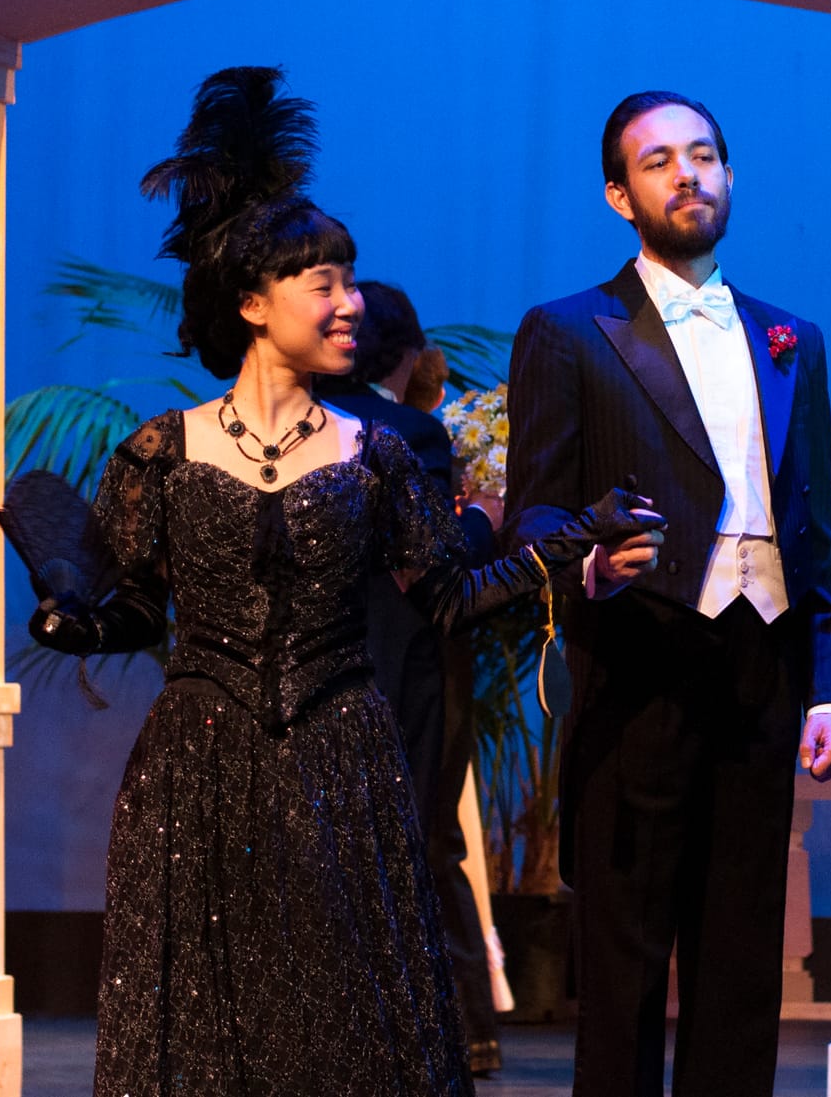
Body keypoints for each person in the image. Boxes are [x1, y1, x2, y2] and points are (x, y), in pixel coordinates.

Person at [13, 68, 653, 1097]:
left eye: (351, 281)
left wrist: (574, 542)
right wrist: (74, 621)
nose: (352, 303)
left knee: (341, 1024)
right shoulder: (159, 456)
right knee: (211, 1026)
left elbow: (448, 597)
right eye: (327, 283)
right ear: (254, 303)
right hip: (197, 773)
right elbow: (136, 610)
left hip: (343, 762)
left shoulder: (378, 452)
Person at [504, 90, 831, 1097]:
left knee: (742, 955)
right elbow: (533, 513)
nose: (687, 174)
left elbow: (815, 531)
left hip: (760, 669)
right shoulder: (569, 332)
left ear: (730, 175)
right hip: (638, 665)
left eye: (703, 154)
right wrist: (586, 565)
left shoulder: (792, 338)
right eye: (659, 161)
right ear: (620, 195)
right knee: (621, 962)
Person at [320, 279, 506, 1077]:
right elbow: (436, 560)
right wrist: (488, 514)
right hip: (405, 670)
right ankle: (449, 1031)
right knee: (426, 846)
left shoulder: (288, 430)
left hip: (320, 677)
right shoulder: (406, 433)